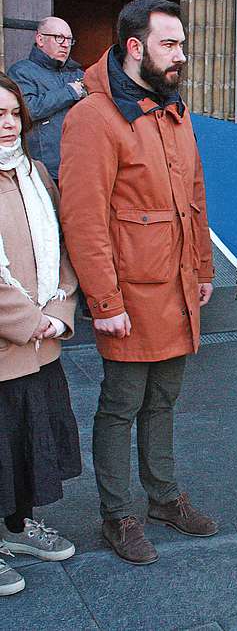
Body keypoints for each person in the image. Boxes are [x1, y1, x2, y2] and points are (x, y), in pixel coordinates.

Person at [58, 0, 217, 565]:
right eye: (169, 45)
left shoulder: (174, 110)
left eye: (181, 44)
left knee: (164, 400)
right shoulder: (94, 118)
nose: (181, 56)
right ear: (134, 47)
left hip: (175, 288)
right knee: (121, 404)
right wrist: (103, 302)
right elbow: (83, 217)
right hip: (128, 295)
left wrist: (202, 268)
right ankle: (117, 515)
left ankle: (164, 497)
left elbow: (193, 199)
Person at [0, 73, 80, 595]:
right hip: (11, 342)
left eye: (12, 115)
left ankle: (16, 527)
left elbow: (63, 250)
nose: (7, 126)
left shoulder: (35, 173)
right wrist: (29, 322)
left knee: (24, 445)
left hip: (41, 346)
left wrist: (59, 309)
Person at [8, 17, 86, 180]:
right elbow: (27, 110)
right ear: (40, 39)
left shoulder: (78, 74)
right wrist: (70, 92)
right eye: (59, 38)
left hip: (79, 166)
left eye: (69, 40)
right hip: (43, 171)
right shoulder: (22, 72)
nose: (65, 44)